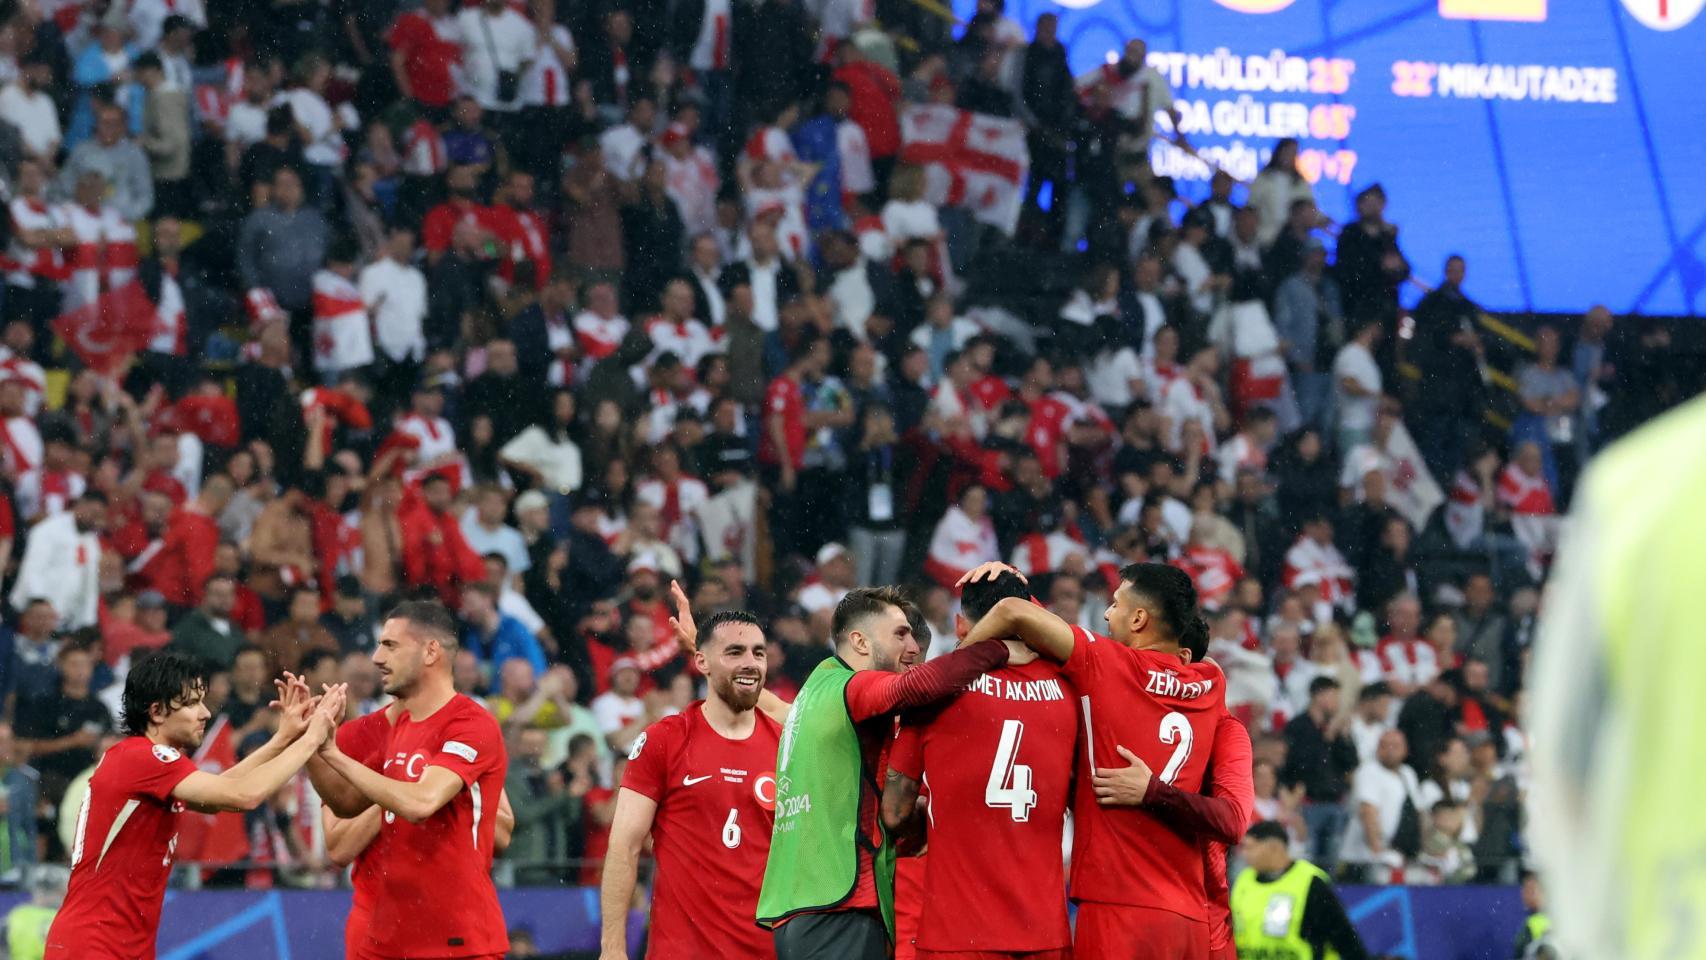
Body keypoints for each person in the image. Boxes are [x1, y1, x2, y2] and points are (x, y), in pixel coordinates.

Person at [956, 562, 1228, 959]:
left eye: (1116, 604)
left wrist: (953, 668)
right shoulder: (1212, 682)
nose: (1106, 613)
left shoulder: (1106, 663)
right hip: (1186, 916)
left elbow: (1011, 611)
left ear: (1138, 618)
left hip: (1119, 907)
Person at [756, 587, 1015, 959]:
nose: (912, 646)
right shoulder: (851, 687)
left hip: (800, 908)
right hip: (840, 903)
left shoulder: (816, 689)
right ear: (860, 641)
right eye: (899, 634)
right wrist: (1002, 646)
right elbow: (921, 686)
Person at [45, 650, 343, 959]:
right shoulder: (145, 758)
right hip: (96, 945)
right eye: (190, 703)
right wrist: (311, 739)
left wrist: (283, 738)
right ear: (157, 711)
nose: (205, 713)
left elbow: (221, 793)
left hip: (111, 943)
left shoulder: (140, 759)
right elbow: (245, 795)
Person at [878, 570, 1078, 959]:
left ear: (959, 624)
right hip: (1045, 932)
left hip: (957, 933)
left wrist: (934, 816)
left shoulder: (936, 691)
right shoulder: (1069, 688)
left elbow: (895, 812)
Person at [309, 601, 509, 960]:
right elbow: (342, 825)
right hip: (380, 937)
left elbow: (424, 804)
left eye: (390, 645)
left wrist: (339, 759)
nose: (376, 657)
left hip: (456, 938)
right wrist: (310, 744)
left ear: (431, 651)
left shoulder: (471, 725)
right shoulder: (393, 729)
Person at [600, 610, 782, 959]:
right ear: (701, 661)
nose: (750, 663)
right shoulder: (665, 740)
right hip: (682, 950)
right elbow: (624, 846)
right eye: (735, 652)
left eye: (758, 653)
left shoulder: (788, 746)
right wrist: (612, 949)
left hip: (766, 950)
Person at [1231, 820, 1369, 959]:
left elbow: (1343, 935)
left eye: (1249, 847)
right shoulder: (1243, 881)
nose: (1244, 854)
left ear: (1274, 848)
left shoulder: (1310, 882)